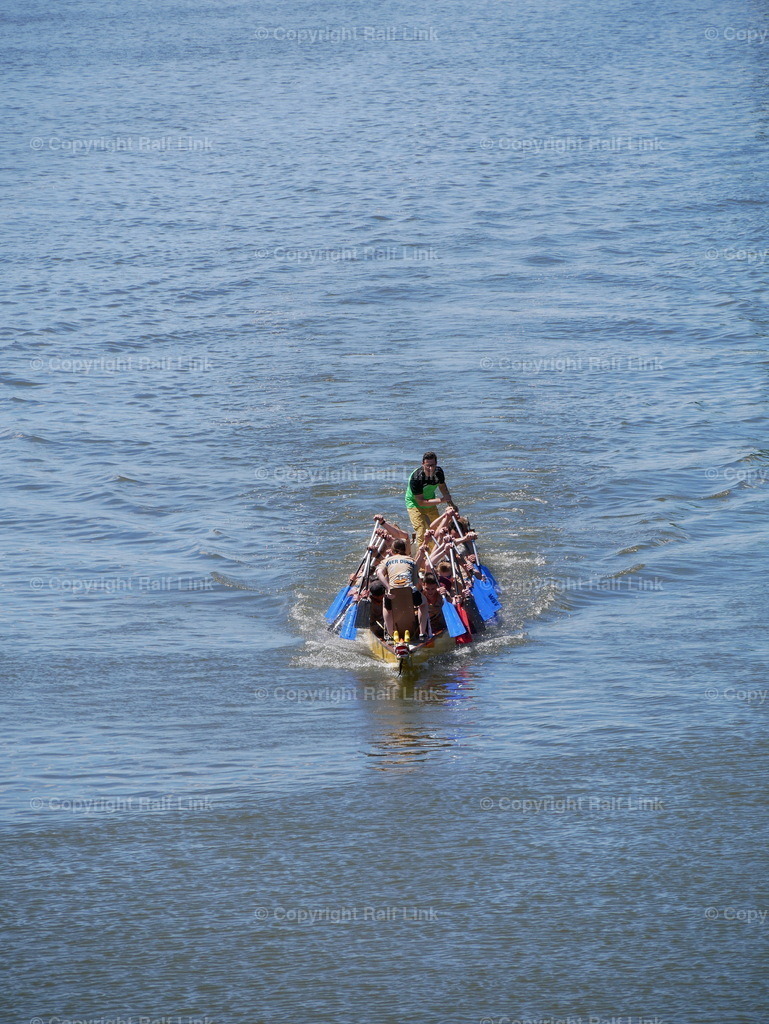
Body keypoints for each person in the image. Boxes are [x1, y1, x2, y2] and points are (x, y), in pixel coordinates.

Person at [376, 538, 430, 641]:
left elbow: (379, 573)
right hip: (409, 592)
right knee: (423, 603)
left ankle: (390, 634)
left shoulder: (386, 560)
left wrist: (388, 588)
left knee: (386, 606)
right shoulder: (411, 560)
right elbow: (415, 582)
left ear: (391, 551)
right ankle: (422, 633)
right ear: (405, 550)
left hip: (393, 592)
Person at [404, 451, 456, 551]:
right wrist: (441, 500)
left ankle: (438, 552)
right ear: (422, 464)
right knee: (422, 531)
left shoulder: (439, 472)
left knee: (440, 528)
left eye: (433, 465)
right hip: (414, 503)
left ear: (436, 464)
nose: (431, 469)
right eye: (428, 466)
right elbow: (421, 502)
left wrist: (451, 504)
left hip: (430, 501)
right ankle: (423, 559)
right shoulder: (416, 478)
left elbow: (442, 487)